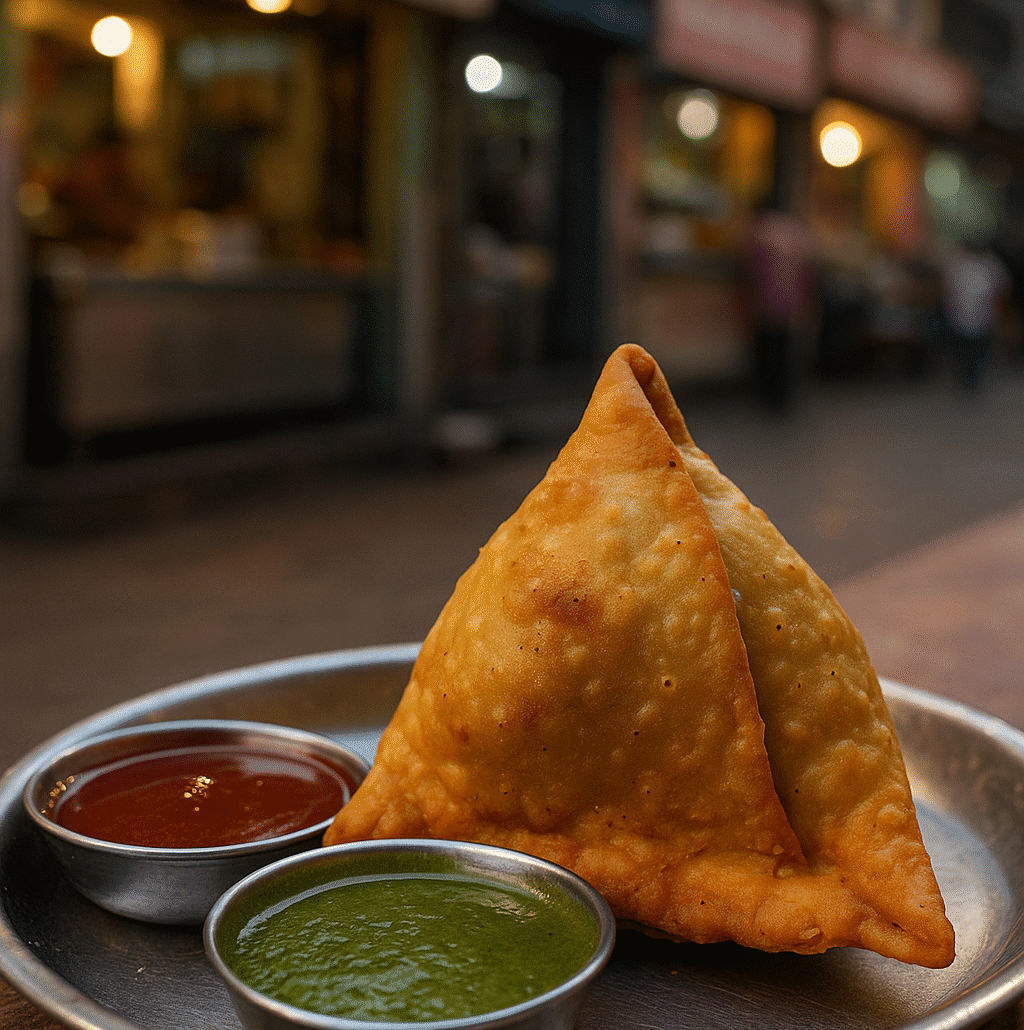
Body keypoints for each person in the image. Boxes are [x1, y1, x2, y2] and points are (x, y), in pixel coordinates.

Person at [741, 200, 815, 410]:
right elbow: (808, 269)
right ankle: (782, 396)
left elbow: (747, 268)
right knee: (783, 350)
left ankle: (769, 395)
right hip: (789, 302)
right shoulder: (795, 232)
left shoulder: (759, 232)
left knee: (767, 350)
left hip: (765, 303)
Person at [940, 240, 1008, 391]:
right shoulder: (987, 266)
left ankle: (971, 378)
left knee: (969, 352)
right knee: (974, 352)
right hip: (974, 320)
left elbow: (948, 293)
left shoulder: (960, 266)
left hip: (968, 320)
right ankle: (972, 378)